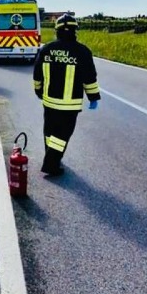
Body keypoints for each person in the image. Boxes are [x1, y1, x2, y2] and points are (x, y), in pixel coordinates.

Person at [32, 14, 100, 176]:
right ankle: (51, 164)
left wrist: (39, 91)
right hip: (70, 105)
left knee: (49, 131)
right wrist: (93, 97)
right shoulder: (82, 52)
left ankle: (51, 155)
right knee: (62, 135)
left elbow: (37, 74)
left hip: (49, 102)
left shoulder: (46, 49)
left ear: (57, 30)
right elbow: (89, 78)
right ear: (75, 30)